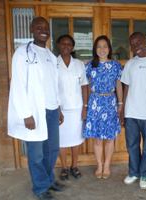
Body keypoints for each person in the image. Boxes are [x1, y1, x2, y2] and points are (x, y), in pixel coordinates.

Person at [8, 16, 64, 200]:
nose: (43, 30)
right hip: (34, 112)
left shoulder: (50, 55)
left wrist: (59, 108)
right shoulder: (22, 53)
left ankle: (48, 180)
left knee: (52, 149)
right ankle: (40, 188)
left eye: (46, 27)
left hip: (52, 110)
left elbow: (55, 85)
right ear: (32, 29)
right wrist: (26, 114)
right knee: (37, 153)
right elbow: (17, 85)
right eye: (39, 26)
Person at [121, 32, 146, 189]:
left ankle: (145, 174)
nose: (135, 46)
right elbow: (126, 88)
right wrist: (123, 110)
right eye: (132, 43)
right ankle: (133, 172)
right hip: (131, 112)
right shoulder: (131, 64)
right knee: (131, 145)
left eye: (138, 42)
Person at [83, 35, 123, 179]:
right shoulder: (89, 66)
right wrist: (86, 105)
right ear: (95, 49)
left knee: (110, 137)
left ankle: (107, 166)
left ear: (109, 49)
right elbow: (86, 87)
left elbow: (119, 85)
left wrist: (120, 103)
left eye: (105, 46)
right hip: (95, 103)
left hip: (110, 102)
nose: (102, 49)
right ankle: (99, 165)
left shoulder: (116, 65)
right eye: (99, 46)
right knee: (98, 138)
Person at [56, 34, 88, 180]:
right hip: (60, 109)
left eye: (69, 44)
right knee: (61, 140)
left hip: (76, 108)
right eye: (63, 44)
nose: (66, 46)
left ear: (72, 47)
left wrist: (85, 107)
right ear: (58, 45)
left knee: (75, 139)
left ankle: (74, 166)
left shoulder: (79, 64)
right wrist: (57, 109)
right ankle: (63, 167)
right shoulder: (53, 64)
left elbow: (84, 86)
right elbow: (51, 88)